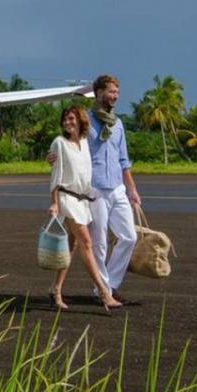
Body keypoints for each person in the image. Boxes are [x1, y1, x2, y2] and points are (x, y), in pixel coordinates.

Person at [48, 75, 142, 304]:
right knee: (97, 242)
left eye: (117, 92)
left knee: (129, 237)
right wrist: (54, 156)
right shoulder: (86, 122)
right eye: (111, 92)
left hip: (117, 188)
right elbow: (70, 143)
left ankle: (110, 284)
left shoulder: (118, 124)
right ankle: (103, 291)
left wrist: (132, 190)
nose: (115, 96)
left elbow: (124, 160)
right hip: (95, 189)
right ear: (98, 93)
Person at [47, 105, 123, 312]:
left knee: (70, 248)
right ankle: (105, 293)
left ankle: (56, 289)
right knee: (87, 242)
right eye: (65, 119)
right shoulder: (59, 143)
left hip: (82, 201)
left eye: (71, 119)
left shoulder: (84, 143)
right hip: (66, 199)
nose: (67, 122)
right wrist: (54, 202)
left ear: (80, 121)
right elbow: (55, 175)